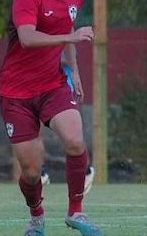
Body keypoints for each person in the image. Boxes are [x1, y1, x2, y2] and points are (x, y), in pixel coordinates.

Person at [0, 0, 102, 236]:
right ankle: (36, 216)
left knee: (75, 141)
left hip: (53, 84)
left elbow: (66, 28)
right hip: (15, 93)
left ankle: (76, 213)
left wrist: (75, 72)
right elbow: (28, 38)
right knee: (30, 171)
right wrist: (71, 38)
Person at [41, 52, 95, 195]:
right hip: (38, 85)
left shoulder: (62, 35)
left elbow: (67, 58)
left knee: (70, 136)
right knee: (33, 127)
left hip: (61, 86)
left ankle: (86, 169)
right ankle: (39, 171)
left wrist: (45, 58)